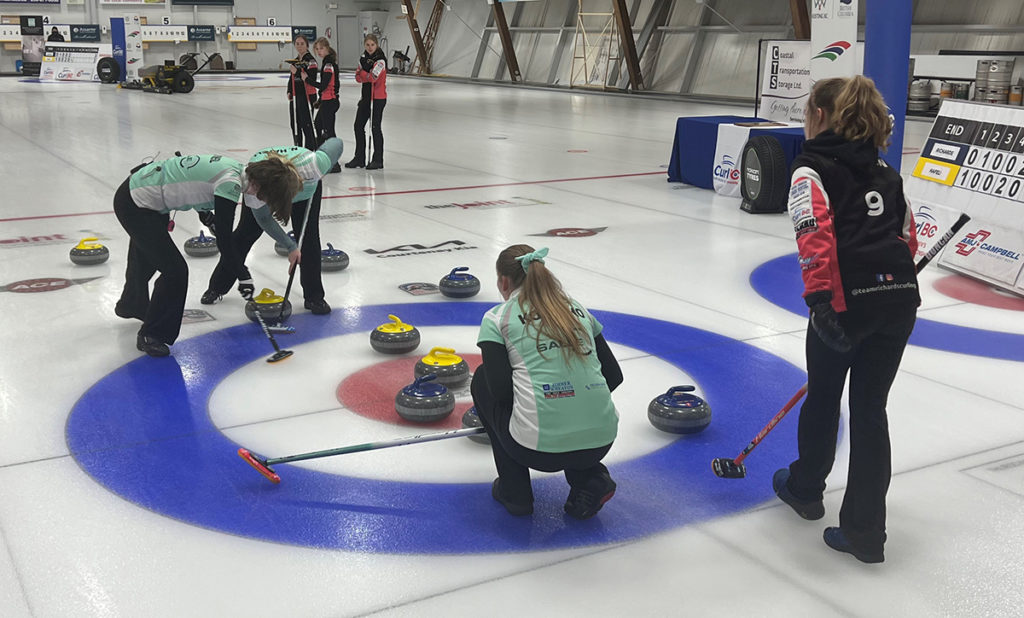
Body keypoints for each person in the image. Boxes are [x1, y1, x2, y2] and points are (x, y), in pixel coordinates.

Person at [773, 76, 920, 564]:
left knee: (824, 396)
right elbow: (907, 236)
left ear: (817, 115)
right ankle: (864, 531)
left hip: (843, 305)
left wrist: (819, 303)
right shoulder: (885, 170)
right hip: (897, 302)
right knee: (870, 410)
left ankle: (806, 487)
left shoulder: (810, 167)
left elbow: (811, 233)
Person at [472, 245, 623, 519]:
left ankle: (515, 491)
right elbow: (614, 376)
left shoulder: (497, 317)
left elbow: (500, 391)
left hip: (535, 450)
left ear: (503, 282)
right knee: (571, 399)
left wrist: (546, 404)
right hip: (601, 442)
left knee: (482, 380)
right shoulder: (577, 310)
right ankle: (589, 479)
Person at [114, 154, 303, 357]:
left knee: (146, 258)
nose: (266, 202)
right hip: (136, 203)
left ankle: (131, 304)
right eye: (270, 197)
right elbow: (224, 240)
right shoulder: (230, 183)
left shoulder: (244, 176)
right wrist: (242, 274)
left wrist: (291, 247)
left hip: (147, 199)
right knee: (175, 271)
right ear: (263, 187)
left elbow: (196, 186)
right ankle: (151, 335)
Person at [201, 137, 344, 315]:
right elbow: (264, 219)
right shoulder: (254, 184)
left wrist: (325, 167)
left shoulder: (314, 165)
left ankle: (314, 296)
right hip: (265, 181)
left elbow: (337, 143)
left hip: (307, 188)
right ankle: (217, 287)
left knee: (308, 238)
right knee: (245, 234)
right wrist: (290, 247)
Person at [345, 34, 387, 170]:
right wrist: (365, 75)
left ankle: (378, 159)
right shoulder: (363, 58)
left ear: (377, 45)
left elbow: (373, 77)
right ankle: (359, 158)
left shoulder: (380, 60)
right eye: (367, 45)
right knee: (358, 126)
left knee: (375, 127)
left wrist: (364, 75)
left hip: (378, 98)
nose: (370, 48)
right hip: (365, 97)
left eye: (372, 45)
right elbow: (357, 77)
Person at [307, 37, 341, 173]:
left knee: (329, 131)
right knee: (319, 125)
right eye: (317, 49)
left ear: (327, 48)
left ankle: (334, 162)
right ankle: (322, 158)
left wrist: (307, 80)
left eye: (321, 48)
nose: (319, 51)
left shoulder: (329, 64)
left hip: (330, 101)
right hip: (326, 101)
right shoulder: (327, 63)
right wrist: (320, 100)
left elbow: (324, 85)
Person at [287, 35, 318, 149]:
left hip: (307, 95)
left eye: (302, 44)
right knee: (295, 124)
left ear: (307, 45)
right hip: (296, 95)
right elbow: (292, 78)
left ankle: (310, 149)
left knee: (307, 124)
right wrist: (289, 90)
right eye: (297, 44)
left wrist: (298, 72)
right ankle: (298, 148)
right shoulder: (295, 61)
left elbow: (312, 78)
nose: (299, 46)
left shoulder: (310, 60)